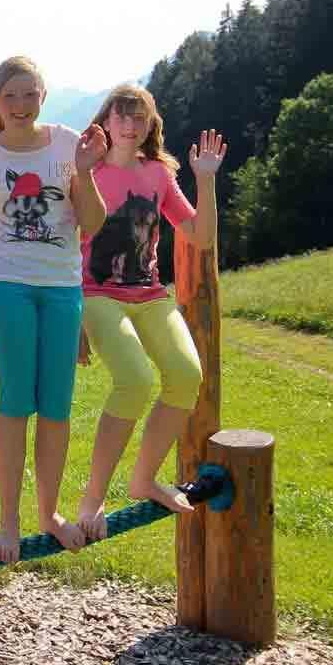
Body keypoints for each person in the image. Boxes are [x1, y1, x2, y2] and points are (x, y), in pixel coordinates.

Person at [0, 56, 107, 564]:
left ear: (43, 96)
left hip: (62, 290)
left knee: (57, 407)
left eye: (29, 94)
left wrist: (85, 171)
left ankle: (49, 514)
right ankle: (9, 521)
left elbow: (92, 223)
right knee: (16, 403)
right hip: (8, 288)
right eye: (10, 96)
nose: (20, 105)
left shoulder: (68, 144)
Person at [73, 84, 227, 538]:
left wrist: (205, 178)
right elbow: (64, 242)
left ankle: (144, 480)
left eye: (138, 117)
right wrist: (74, 319)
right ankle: (93, 498)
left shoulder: (158, 173)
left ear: (150, 125)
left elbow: (200, 235)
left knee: (186, 375)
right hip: (95, 292)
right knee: (135, 381)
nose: (129, 125)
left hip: (150, 294)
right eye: (121, 116)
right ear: (105, 121)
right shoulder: (85, 170)